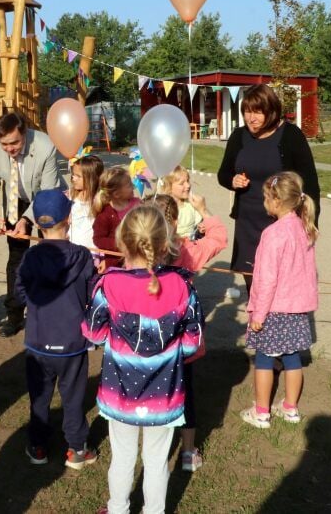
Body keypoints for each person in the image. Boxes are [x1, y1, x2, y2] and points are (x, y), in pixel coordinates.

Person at [82, 205, 204, 514]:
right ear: (165, 244)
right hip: (165, 396)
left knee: (122, 457)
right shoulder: (183, 286)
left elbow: (93, 333)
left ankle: (118, 509)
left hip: (119, 394)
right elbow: (192, 343)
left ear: (122, 242)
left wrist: (113, 337)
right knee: (157, 461)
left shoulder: (109, 284)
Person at [13, 189, 98, 469]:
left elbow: (20, 292)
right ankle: (76, 448)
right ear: (69, 218)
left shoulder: (32, 257)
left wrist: (37, 303)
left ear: (38, 223)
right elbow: (92, 294)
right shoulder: (83, 257)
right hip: (70, 341)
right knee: (73, 398)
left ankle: (39, 446)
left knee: (40, 397)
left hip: (40, 340)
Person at [215, 84, 319, 298]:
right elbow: (223, 174)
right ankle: (257, 316)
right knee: (253, 284)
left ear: (271, 111)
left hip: (281, 223)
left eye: (257, 112)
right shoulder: (239, 136)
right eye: (247, 111)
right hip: (247, 221)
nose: (251, 118)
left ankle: (281, 319)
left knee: (281, 284)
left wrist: (311, 223)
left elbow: (310, 184)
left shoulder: (291, 135)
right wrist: (232, 180)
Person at [149, 194, 228, 473]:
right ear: (174, 222)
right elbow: (218, 238)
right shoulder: (187, 250)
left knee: (154, 389)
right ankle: (187, 451)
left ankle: (158, 448)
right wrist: (204, 210)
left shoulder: (139, 251)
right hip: (180, 335)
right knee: (184, 392)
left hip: (151, 338)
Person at [241, 171, 319, 429]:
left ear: (276, 200)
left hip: (273, 308)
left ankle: (261, 413)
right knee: (292, 357)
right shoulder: (305, 228)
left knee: (264, 359)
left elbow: (267, 279)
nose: (264, 202)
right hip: (297, 309)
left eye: (266, 197)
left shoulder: (273, 233)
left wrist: (258, 314)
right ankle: (290, 408)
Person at [0, 112, 62, 337]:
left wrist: (26, 220)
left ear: (24, 133)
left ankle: (49, 314)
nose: (9, 148)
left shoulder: (45, 146)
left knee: (48, 256)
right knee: (16, 257)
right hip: (15, 197)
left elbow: (47, 192)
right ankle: (14, 316)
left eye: (14, 142)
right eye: (4, 144)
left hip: (46, 198)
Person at [92, 166, 141, 272]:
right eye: (129, 185)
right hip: (117, 263)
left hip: (138, 258)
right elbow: (98, 239)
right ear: (117, 194)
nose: (133, 186)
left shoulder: (137, 204)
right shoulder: (105, 215)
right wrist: (119, 244)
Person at [68, 154, 104, 250]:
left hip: (92, 251)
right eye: (73, 175)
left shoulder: (100, 201)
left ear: (91, 178)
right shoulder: (70, 197)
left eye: (78, 176)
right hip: (72, 249)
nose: (73, 178)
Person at [162, 165, 203, 240]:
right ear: (169, 187)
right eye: (182, 183)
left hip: (191, 244)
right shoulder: (164, 208)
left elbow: (200, 223)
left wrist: (202, 227)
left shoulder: (191, 204)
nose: (188, 185)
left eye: (188, 181)